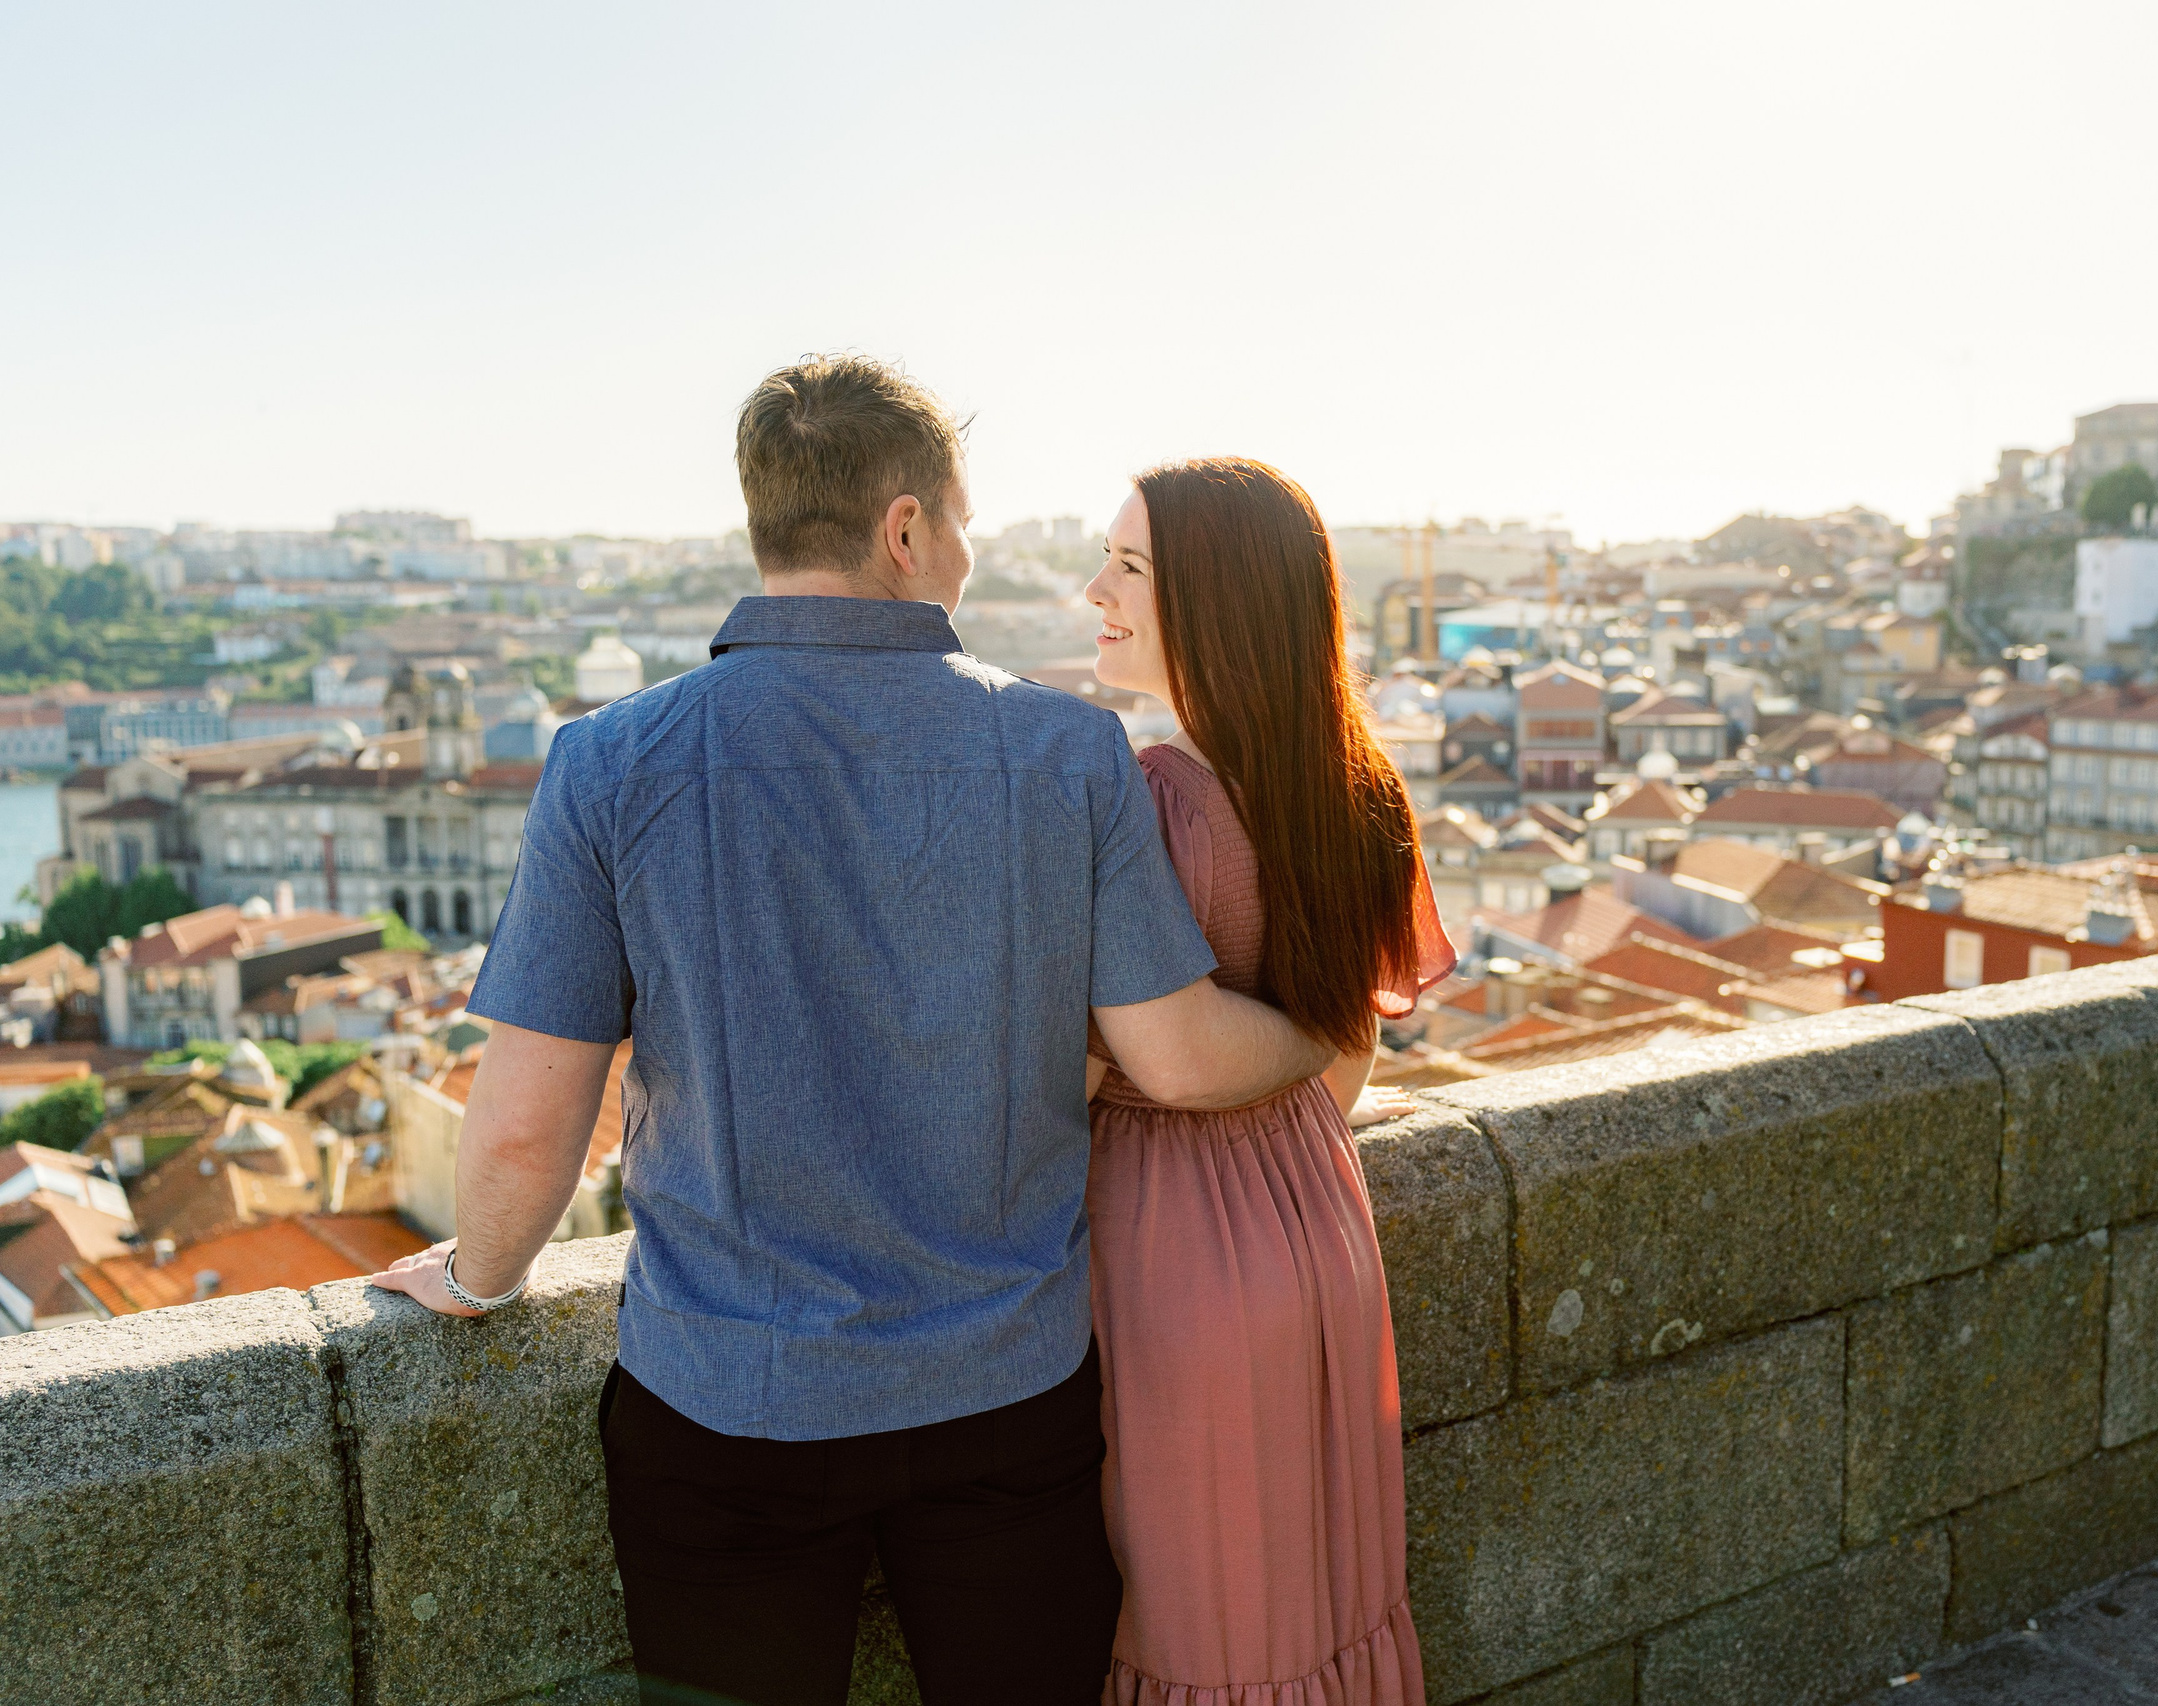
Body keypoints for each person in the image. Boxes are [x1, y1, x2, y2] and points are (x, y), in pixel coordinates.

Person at [367, 355, 1335, 1706]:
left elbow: (530, 1126)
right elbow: (1175, 1054)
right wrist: (1317, 1034)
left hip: (728, 1401)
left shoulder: (610, 760)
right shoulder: (1069, 752)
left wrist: (477, 1279)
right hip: (1005, 1392)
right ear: (904, 528)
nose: (972, 554)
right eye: (964, 522)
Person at [1080, 458, 1454, 1706]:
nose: (1096, 591)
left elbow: (1072, 1075)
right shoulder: (1355, 788)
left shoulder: (1151, 805)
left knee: (1206, 1625)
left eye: (1129, 566)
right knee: (1312, 1601)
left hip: (1164, 1254)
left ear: (1217, 598)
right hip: (1317, 1217)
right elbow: (1351, 1056)